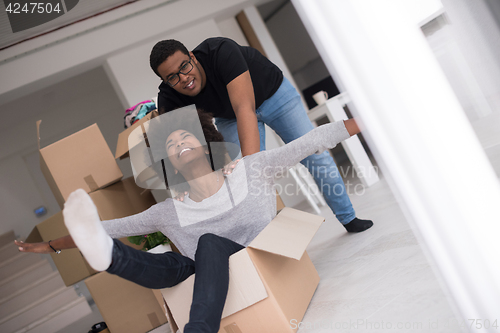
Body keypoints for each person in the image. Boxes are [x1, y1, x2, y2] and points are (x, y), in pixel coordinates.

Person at [16, 107, 362, 333]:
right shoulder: (169, 210)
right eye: (171, 144)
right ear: (167, 163)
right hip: (203, 273)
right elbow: (103, 228)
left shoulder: (250, 170)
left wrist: (367, 118)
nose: (179, 143)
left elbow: (309, 143)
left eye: (186, 136)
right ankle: (111, 257)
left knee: (209, 242)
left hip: (258, 257)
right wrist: (47, 246)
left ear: (207, 144)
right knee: (171, 262)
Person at [150, 37, 373, 233]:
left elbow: (244, 108)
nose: (183, 78)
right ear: (165, 81)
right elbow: (173, 150)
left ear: (192, 57)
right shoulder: (169, 98)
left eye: (185, 66)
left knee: (314, 156)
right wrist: (184, 189)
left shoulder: (220, 51)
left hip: (273, 95)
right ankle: (270, 239)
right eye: (172, 77)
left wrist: (250, 165)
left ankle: (349, 218)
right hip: (229, 116)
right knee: (242, 180)